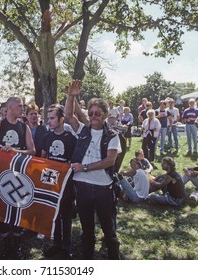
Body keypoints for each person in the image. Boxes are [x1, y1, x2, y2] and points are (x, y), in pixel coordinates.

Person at [65, 80, 121, 260]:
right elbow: (68, 114)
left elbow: (109, 161)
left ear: (105, 115)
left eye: (98, 113)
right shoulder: (82, 129)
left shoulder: (112, 136)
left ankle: (114, 258)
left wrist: (85, 167)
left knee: (109, 229)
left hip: (103, 187)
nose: (94, 115)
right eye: (91, 113)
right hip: (82, 186)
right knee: (87, 229)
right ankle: (87, 261)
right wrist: (71, 95)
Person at [0, 79, 35, 259]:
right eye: (20, 106)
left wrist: (16, 151)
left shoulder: (24, 127)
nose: (23, 108)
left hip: (19, 175)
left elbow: (33, 150)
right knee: (2, 209)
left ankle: (16, 246)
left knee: (17, 208)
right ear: (10, 108)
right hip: (0, 174)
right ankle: (3, 244)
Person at [41, 104, 77, 259]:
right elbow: (42, 158)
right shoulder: (47, 137)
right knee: (54, 214)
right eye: (48, 118)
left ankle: (66, 247)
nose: (49, 121)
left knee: (66, 216)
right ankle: (56, 243)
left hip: (67, 185)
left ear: (62, 119)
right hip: (51, 182)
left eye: (52, 118)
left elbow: (75, 162)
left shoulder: (71, 139)